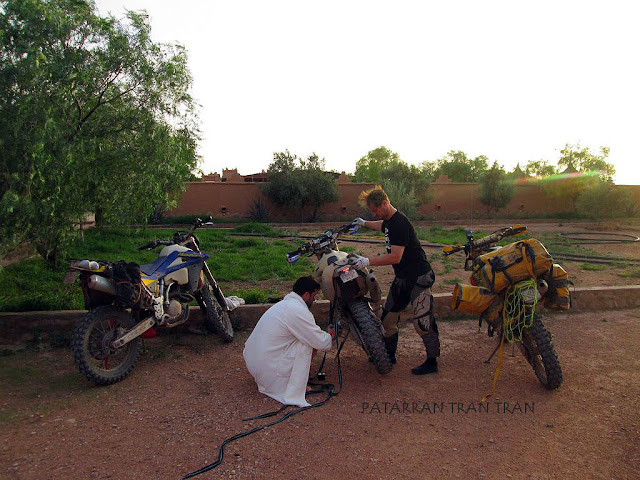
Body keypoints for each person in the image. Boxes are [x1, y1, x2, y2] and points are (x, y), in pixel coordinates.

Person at [351, 185, 439, 375]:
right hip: (402, 279)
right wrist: (363, 222)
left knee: (423, 322)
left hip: (418, 277)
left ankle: (432, 361)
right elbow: (381, 226)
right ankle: (389, 356)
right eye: (372, 212)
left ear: (385, 203)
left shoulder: (400, 223)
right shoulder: (389, 221)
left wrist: (367, 260)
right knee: (387, 319)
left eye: (375, 210)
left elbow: (395, 257)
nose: (374, 214)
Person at [243, 276, 333, 407]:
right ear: (306, 295)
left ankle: (283, 379)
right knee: (308, 343)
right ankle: (291, 386)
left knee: (305, 337)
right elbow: (318, 341)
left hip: (256, 365)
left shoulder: (284, 305)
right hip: (267, 371)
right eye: (314, 296)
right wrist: (331, 336)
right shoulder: (298, 310)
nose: (315, 299)